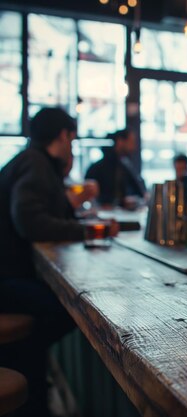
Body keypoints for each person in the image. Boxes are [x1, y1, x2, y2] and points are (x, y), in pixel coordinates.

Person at [0, 107, 115, 416]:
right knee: (73, 308)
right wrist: (89, 230)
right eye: (72, 139)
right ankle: (24, 375)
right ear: (64, 136)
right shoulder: (35, 164)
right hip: (6, 281)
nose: (72, 146)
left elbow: (42, 212)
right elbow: (30, 221)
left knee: (63, 309)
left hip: (9, 274)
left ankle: (30, 379)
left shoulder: (32, 162)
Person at [85, 129, 146, 209]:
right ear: (120, 142)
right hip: (102, 215)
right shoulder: (97, 168)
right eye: (131, 142)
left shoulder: (124, 165)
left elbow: (140, 191)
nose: (134, 147)